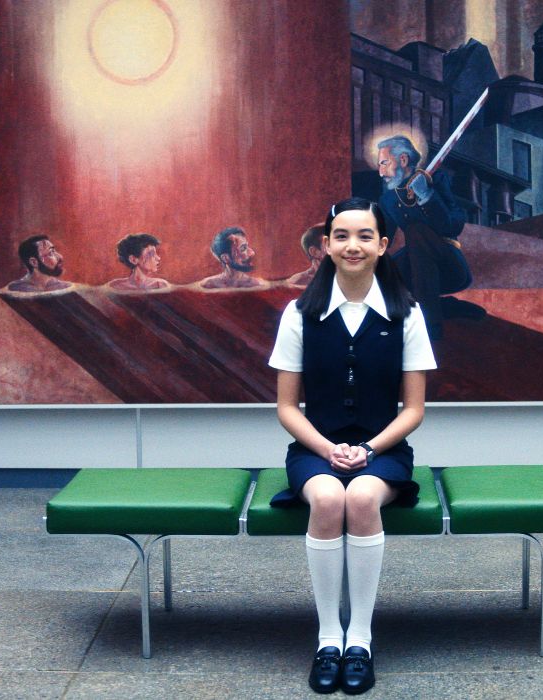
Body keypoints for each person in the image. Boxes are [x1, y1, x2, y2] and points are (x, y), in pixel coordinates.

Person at [267, 196, 436, 694]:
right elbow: (286, 409)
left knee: (361, 497)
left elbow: (414, 411)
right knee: (327, 498)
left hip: (382, 449)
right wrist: (327, 450)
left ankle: (358, 639)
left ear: (383, 246)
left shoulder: (408, 315)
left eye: (365, 236)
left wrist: (366, 449)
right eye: (341, 236)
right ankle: (327, 639)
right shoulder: (299, 314)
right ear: (326, 246)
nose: (352, 245)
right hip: (314, 449)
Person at [375, 135, 480, 340]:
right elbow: (382, 239)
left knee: (415, 231)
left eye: (384, 163)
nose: (380, 172)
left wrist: (427, 197)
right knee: (378, 273)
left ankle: (431, 324)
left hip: (448, 265)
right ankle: (443, 308)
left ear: (403, 160)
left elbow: (454, 224)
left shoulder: (436, 181)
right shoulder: (388, 198)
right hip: (415, 268)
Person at [199, 225, 266, 289]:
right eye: (243, 248)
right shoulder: (208, 284)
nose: (252, 253)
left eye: (247, 246)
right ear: (225, 258)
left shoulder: (256, 284)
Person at [4, 234, 72, 293]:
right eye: (51, 253)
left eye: (54, 251)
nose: (60, 256)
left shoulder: (64, 286)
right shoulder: (17, 289)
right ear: (34, 262)